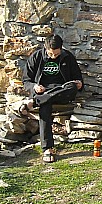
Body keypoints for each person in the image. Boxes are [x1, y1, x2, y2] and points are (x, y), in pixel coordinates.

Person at [21, 34, 83, 163]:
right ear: (45, 48)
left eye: (56, 54)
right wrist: (34, 87)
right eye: (50, 54)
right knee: (45, 107)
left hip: (62, 92)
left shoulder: (68, 57)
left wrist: (79, 84)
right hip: (43, 91)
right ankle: (48, 149)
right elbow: (26, 81)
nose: (53, 56)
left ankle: (35, 102)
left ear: (61, 49)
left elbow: (78, 79)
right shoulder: (36, 57)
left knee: (70, 87)